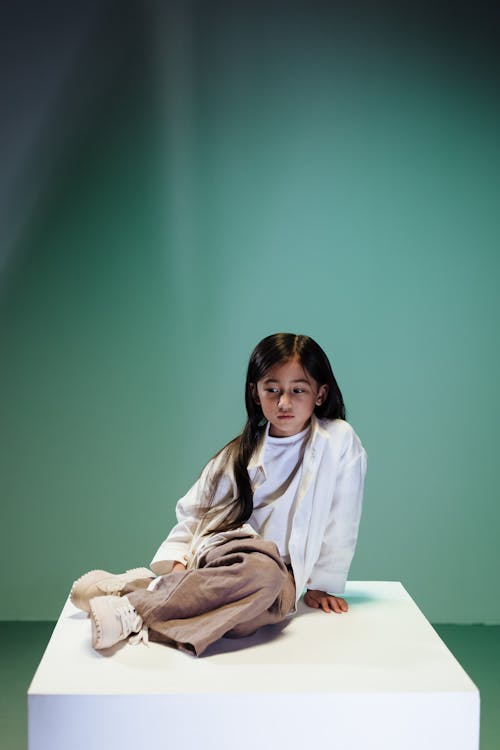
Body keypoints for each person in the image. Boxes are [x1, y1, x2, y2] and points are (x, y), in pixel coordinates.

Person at [71, 333, 367, 656]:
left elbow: (343, 518)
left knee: (243, 622)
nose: (284, 402)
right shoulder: (237, 455)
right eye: (272, 389)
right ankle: (132, 611)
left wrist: (325, 583)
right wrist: (179, 563)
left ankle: (139, 591)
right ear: (255, 393)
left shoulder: (339, 441)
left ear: (320, 394)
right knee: (262, 574)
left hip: (280, 578)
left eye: (298, 390)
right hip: (229, 559)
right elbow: (194, 512)